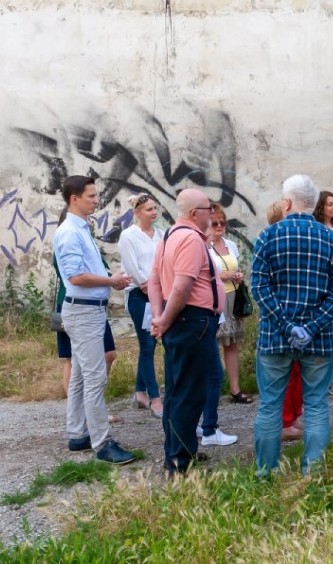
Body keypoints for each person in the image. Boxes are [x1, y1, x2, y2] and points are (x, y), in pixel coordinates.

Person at [252, 175, 333, 478]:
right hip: (317, 340)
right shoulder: (332, 239)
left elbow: (259, 287)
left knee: (270, 405)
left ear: (288, 202)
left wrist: (286, 324)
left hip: (274, 337)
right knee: (317, 405)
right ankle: (313, 473)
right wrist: (310, 327)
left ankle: (264, 472)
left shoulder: (268, 236)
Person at [53, 175, 135, 465]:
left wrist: (109, 281)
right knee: (94, 377)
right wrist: (111, 280)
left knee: (78, 376)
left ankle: (77, 434)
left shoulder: (80, 228)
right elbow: (75, 276)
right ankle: (102, 442)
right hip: (83, 310)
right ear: (74, 199)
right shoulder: (69, 232)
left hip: (88, 309)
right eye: (91, 196)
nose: (96, 200)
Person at [148, 188, 229, 476]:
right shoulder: (190, 239)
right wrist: (166, 318)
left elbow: (155, 281)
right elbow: (181, 287)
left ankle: (179, 452)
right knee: (189, 394)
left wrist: (160, 316)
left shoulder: (169, 236)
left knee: (176, 391)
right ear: (195, 213)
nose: (212, 213)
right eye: (208, 209)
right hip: (192, 322)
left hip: (180, 321)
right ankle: (180, 462)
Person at [117, 193, 164, 417]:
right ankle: (155, 399)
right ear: (137, 212)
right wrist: (145, 284)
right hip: (139, 294)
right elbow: (131, 265)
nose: (153, 212)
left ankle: (139, 392)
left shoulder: (161, 235)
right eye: (148, 209)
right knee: (147, 345)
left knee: (151, 344)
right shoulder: (128, 236)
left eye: (155, 208)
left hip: (158, 292)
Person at [266, 202, 304, 442]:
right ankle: (284, 421)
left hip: (296, 318)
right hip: (283, 319)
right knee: (286, 374)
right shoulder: (273, 244)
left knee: (297, 372)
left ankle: (294, 414)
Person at [207, 204, 253, 404]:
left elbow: (235, 265)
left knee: (233, 344)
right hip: (215, 298)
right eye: (214, 222)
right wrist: (222, 275)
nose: (219, 226)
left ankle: (235, 389)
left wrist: (238, 275)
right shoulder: (204, 246)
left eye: (222, 222)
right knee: (212, 344)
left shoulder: (230, 245)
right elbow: (202, 273)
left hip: (233, 297)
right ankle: (211, 389)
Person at [312, 191, 333, 396]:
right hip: (325, 286)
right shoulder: (318, 229)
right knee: (328, 336)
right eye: (329, 204)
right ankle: (329, 379)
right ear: (320, 208)